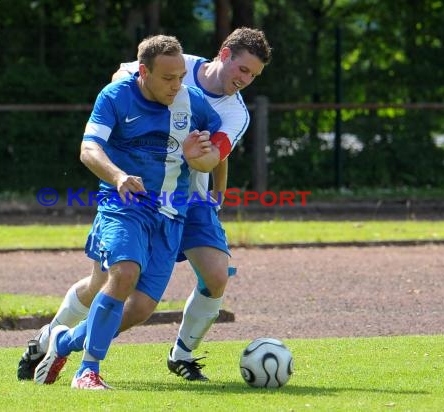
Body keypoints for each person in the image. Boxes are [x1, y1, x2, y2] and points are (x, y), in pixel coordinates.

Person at [18, 27, 272, 383]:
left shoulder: (229, 112)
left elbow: (212, 157)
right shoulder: (175, 62)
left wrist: (216, 193)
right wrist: (123, 159)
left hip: (186, 199)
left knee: (196, 282)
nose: (246, 80)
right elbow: (120, 82)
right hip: (132, 193)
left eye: (254, 76)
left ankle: (176, 354)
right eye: (243, 70)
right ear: (225, 55)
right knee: (111, 280)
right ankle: (60, 343)